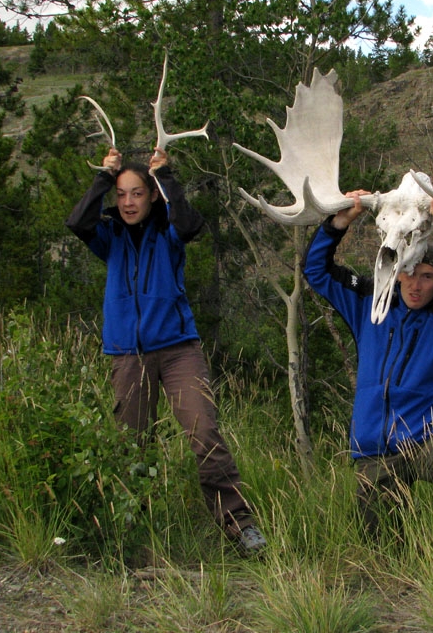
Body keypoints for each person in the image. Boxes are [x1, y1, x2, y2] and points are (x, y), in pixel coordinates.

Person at [66, 145, 265, 557]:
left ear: (151, 194)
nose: (127, 202)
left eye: (137, 192)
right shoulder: (111, 235)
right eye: (121, 194)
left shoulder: (167, 231)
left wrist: (167, 177)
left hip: (177, 350)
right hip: (128, 354)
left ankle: (240, 526)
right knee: (130, 444)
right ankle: (130, 532)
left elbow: (190, 225)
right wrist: (104, 177)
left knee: (204, 433)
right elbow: (77, 222)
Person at [303, 189, 433, 550]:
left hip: (430, 438)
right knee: (382, 551)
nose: (415, 284)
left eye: (427, 276)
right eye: (407, 273)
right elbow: (316, 270)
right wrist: (339, 223)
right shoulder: (369, 305)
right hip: (376, 449)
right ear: (395, 274)